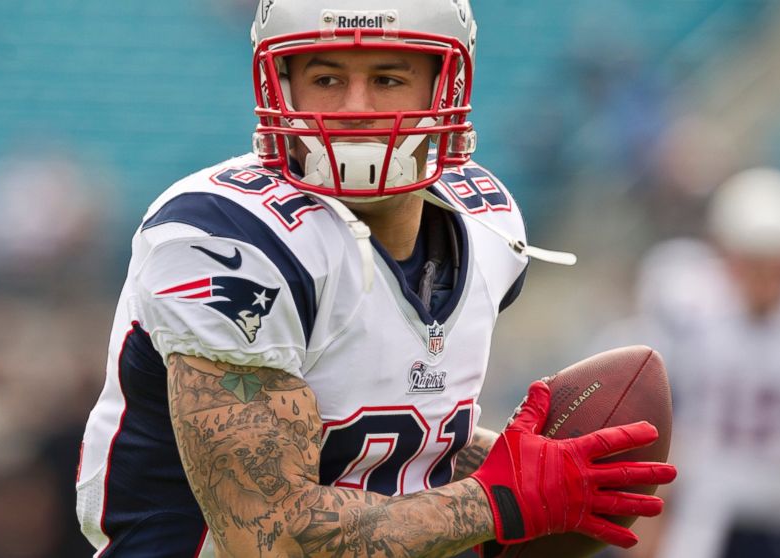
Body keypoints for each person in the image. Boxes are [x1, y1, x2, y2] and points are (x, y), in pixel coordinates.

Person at [76, 1, 676, 556]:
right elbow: (270, 536)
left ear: (444, 84)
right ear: (282, 85)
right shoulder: (227, 240)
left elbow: (385, 442)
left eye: (388, 79)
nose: (356, 108)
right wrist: (497, 500)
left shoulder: (486, 225)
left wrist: (537, 470)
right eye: (327, 78)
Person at [632, 168, 780, 558]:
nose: (763, 279)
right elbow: (656, 413)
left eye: (774, 265)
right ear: (726, 257)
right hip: (704, 507)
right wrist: (654, 512)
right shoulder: (689, 308)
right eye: (750, 262)